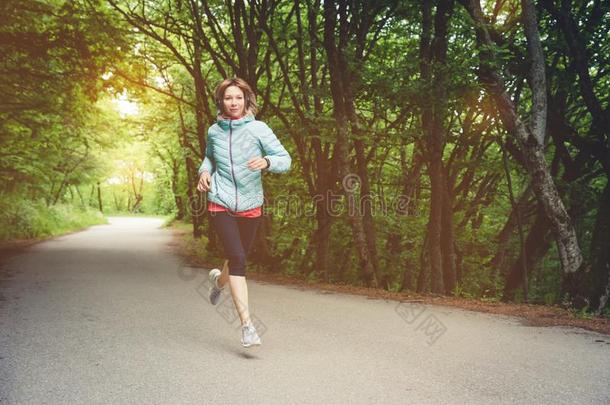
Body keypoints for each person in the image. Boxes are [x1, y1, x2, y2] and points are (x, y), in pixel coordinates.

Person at [196, 77, 291, 348]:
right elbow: (209, 157)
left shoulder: (259, 129)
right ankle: (247, 327)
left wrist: (268, 161)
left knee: (235, 257)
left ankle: (218, 281)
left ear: (246, 100)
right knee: (238, 259)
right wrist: (204, 172)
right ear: (221, 101)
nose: (233, 102)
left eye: (238, 97)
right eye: (228, 98)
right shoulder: (214, 131)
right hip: (220, 199)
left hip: (251, 203)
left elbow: (285, 159)